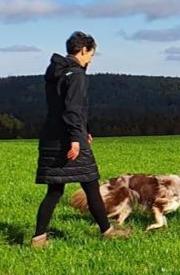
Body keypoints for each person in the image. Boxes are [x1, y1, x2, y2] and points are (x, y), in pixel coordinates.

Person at [32, 31, 130, 247]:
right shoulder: (77, 74)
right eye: (91, 55)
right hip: (69, 139)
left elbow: (60, 108)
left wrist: (84, 130)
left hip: (51, 137)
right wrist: (77, 138)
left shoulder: (55, 71)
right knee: (91, 184)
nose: (90, 60)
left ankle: (38, 238)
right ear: (83, 50)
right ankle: (107, 231)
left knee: (55, 190)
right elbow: (73, 109)